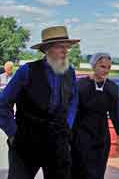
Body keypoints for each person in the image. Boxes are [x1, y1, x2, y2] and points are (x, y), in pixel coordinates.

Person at [0, 25, 79, 179]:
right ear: (47, 49)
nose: (65, 51)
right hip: (27, 140)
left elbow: (73, 102)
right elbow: (3, 103)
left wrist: (67, 126)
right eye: (60, 47)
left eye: (67, 47)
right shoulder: (27, 71)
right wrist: (13, 133)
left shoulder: (70, 72)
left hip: (58, 142)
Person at [71, 52, 119, 179]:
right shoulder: (80, 86)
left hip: (101, 137)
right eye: (103, 66)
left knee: (97, 173)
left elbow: (117, 112)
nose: (106, 70)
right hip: (80, 136)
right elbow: (71, 111)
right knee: (78, 171)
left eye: (108, 67)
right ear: (93, 66)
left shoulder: (112, 88)